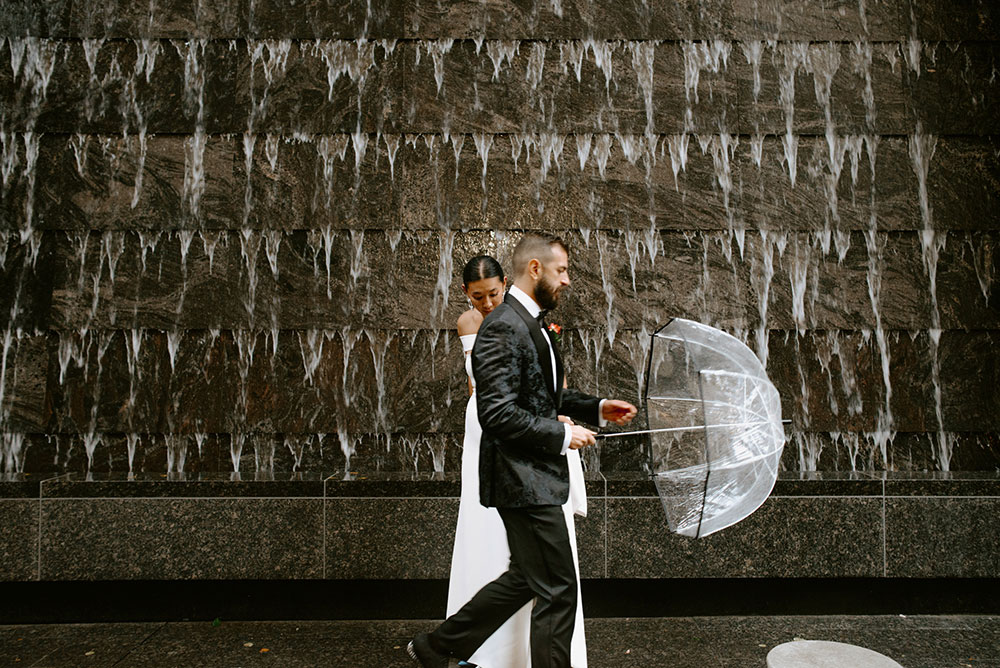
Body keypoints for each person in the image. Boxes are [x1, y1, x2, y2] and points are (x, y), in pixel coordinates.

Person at [409, 235, 637, 668]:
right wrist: (560, 435)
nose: (567, 280)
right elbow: (495, 414)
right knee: (558, 589)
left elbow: (543, 394)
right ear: (535, 268)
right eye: (562, 270)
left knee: (529, 579)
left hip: (532, 474)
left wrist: (598, 408)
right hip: (522, 477)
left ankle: (438, 647)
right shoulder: (502, 327)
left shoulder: (529, 322)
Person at [447, 255, 588, 668]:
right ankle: (451, 645)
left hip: (530, 427)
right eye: (478, 297)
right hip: (497, 427)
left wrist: (565, 411)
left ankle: (441, 645)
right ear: (465, 295)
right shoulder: (475, 324)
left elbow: (546, 382)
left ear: (506, 282)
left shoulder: (533, 321)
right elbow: (486, 392)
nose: (487, 302)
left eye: (493, 293)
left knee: (533, 568)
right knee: (533, 562)